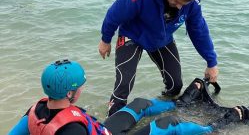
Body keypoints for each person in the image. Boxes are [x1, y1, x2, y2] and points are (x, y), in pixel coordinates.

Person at [98, 0, 219, 116]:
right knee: (124, 84)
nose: (180, 7)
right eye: (177, 1)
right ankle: (112, 120)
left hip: (161, 37)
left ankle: (162, 112)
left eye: (184, 4)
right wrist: (105, 39)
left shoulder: (192, 2)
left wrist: (211, 62)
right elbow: (114, 14)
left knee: (176, 85)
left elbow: (199, 30)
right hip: (133, 34)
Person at [8, 59, 248, 135]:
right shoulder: (72, 131)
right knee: (169, 125)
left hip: (102, 130)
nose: (82, 89)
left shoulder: (36, 110)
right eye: (80, 86)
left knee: (140, 104)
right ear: (70, 92)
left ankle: (182, 102)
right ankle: (217, 125)